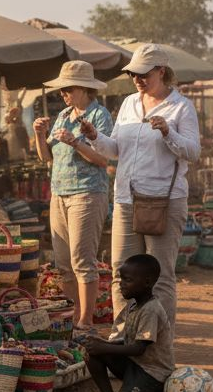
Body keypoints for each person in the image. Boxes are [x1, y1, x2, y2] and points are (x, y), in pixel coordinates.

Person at [82, 44, 200, 340]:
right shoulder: (129, 104)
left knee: (159, 277)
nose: (137, 79)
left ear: (162, 71)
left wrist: (167, 132)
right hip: (125, 199)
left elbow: (193, 151)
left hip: (164, 201)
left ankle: (158, 344)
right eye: (133, 73)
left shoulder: (181, 107)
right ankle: (122, 338)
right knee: (122, 274)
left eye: (143, 73)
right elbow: (115, 150)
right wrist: (96, 137)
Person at [32, 60, 113, 333]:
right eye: (62, 89)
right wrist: (39, 135)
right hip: (60, 193)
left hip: (87, 193)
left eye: (68, 88)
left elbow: (104, 159)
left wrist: (76, 142)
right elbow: (47, 158)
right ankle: (74, 316)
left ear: (85, 89)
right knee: (64, 263)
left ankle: (86, 321)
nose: (63, 94)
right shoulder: (64, 115)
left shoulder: (100, 115)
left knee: (82, 260)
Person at [80, 254, 173, 392]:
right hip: (136, 364)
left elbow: (138, 348)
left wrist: (105, 347)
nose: (121, 284)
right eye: (121, 279)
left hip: (152, 372)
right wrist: (102, 345)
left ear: (147, 282)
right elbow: (130, 342)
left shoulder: (150, 310)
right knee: (93, 352)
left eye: (127, 280)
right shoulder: (135, 305)